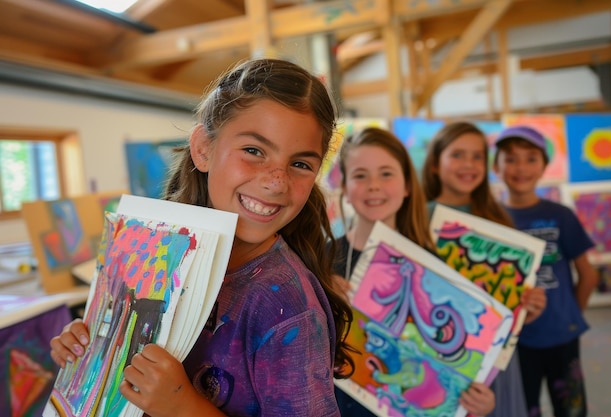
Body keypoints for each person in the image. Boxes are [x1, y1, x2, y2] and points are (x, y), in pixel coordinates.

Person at [49, 58, 356, 417]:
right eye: (254, 151)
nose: (277, 181)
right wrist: (92, 349)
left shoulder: (287, 310)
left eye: (300, 164)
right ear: (203, 149)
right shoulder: (157, 252)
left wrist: (183, 406)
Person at [332, 126, 496, 417]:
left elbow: (453, 362)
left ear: (407, 185)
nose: (374, 185)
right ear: (344, 187)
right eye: (360, 175)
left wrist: (475, 403)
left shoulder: (430, 267)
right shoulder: (321, 260)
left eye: (386, 173)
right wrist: (321, 297)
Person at [421, 121, 547, 417]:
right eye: (458, 155)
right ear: (436, 164)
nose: (469, 164)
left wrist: (529, 305)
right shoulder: (418, 217)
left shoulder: (497, 218)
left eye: (477, 156)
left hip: (493, 358)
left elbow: (513, 296)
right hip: (436, 353)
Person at [493, 125, 599, 417]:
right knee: (524, 408)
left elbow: (588, 274)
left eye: (530, 158)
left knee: (572, 408)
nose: (521, 167)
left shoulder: (560, 215)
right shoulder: (493, 220)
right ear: (496, 166)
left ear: (543, 166)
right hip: (516, 341)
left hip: (562, 336)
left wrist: (571, 316)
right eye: (510, 158)